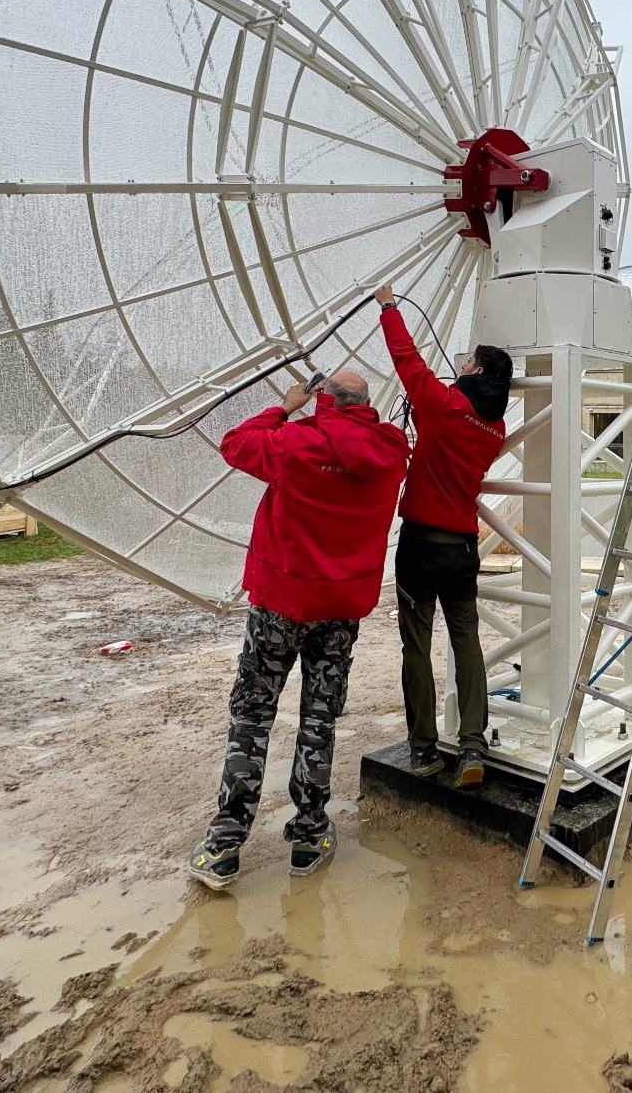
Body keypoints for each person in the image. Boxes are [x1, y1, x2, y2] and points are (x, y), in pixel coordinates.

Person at [187, 369, 409, 890]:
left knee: (253, 715)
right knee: (319, 718)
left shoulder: (292, 442)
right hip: (340, 610)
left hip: (280, 607)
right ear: (365, 403)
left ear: (324, 401)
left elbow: (234, 444)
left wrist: (284, 407)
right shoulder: (392, 452)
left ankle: (224, 844)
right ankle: (310, 833)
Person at [374, 282, 513, 790]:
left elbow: (407, 360)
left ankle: (424, 751)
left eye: (468, 361)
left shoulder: (444, 405)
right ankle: (473, 744)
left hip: (420, 545)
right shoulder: (493, 429)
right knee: (467, 639)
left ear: (476, 370)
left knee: (416, 645)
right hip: (462, 549)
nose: (462, 365)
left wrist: (389, 307)